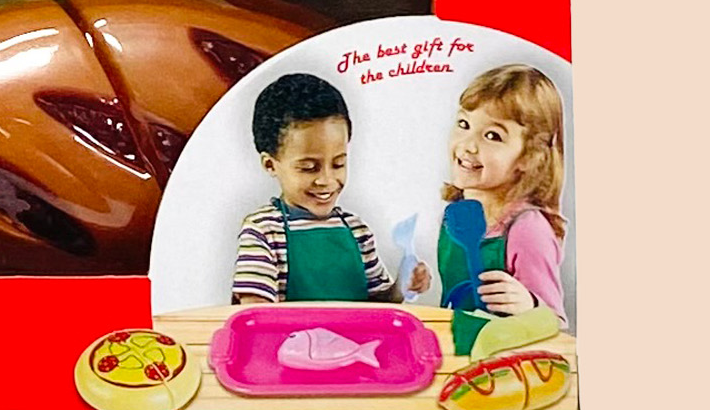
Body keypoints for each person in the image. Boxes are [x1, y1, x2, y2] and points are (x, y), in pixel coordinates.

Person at [409, 65, 567, 356]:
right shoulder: (454, 214)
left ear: (530, 157)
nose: (468, 146)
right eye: (464, 124)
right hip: (457, 353)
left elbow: (554, 323)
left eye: (493, 136)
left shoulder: (527, 229)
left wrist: (530, 305)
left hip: (505, 362)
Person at [231, 72, 397, 305]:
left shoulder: (357, 231)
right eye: (309, 168)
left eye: (338, 164)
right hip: (286, 332)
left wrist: (402, 286)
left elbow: (380, 306)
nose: (326, 180)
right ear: (270, 164)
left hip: (357, 332)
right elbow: (255, 312)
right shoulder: (264, 231)